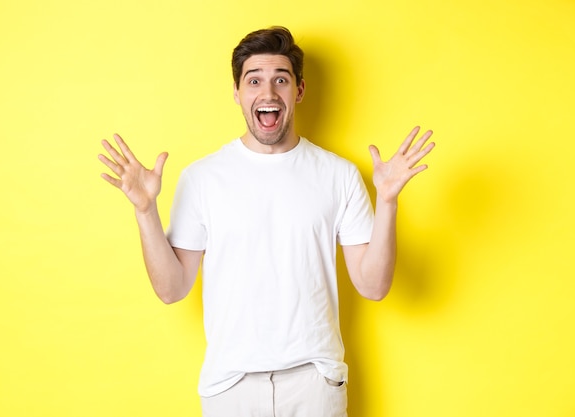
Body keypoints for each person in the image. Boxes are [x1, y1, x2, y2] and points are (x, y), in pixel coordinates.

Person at [98, 26, 434, 417]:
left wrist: (388, 202)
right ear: (237, 93)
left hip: (315, 384)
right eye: (254, 80)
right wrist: (145, 210)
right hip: (230, 387)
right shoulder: (202, 178)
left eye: (281, 80)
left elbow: (373, 286)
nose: (268, 93)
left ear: (300, 91)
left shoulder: (339, 175)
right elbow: (171, 289)